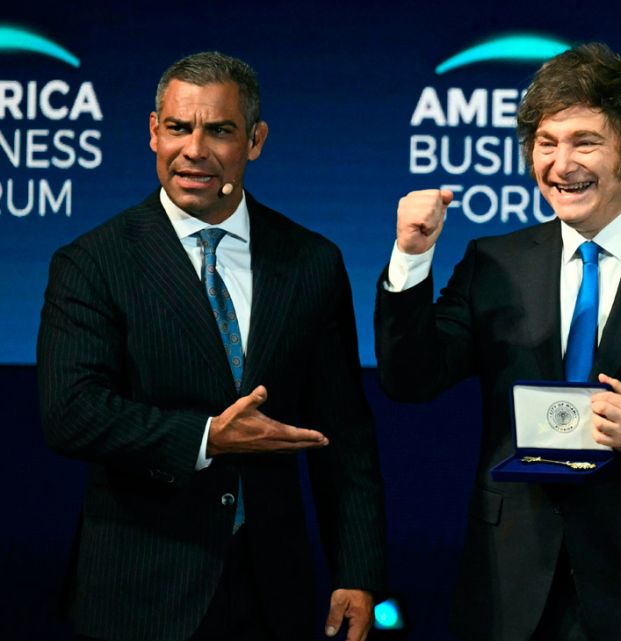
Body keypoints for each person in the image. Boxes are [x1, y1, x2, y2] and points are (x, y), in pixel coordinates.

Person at [376, 42, 621, 641]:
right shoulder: (495, 262)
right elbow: (410, 380)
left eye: (584, 141)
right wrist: (411, 258)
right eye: (546, 143)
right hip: (511, 588)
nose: (560, 162)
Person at [37, 51, 386, 641]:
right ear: (154, 133)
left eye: (219, 130)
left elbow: (343, 431)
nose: (194, 149)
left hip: (273, 589)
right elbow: (72, 413)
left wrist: (357, 570)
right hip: (140, 591)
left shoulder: (311, 262)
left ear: (255, 140)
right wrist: (206, 438)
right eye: (178, 127)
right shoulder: (93, 262)